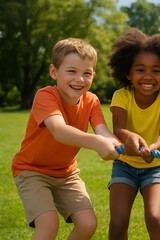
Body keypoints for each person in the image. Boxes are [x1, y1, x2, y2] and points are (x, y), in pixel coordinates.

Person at [11, 38, 121, 240]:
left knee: (88, 224)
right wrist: (97, 143)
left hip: (66, 173)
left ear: (93, 76)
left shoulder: (92, 100)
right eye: (72, 71)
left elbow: (102, 130)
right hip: (31, 171)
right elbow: (60, 131)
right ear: (54, 72)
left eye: (87, 73)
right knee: (48, 225)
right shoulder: (45, 96)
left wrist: (117, 144)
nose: (80, 79)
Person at [107, 27, 160, 240]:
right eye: (140, 70)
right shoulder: (121, 96)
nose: (148, 76)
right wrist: (129, 136)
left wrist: (155, 148)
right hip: (124, 165)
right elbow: (118, 129)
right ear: (128, 73)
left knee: (154, 216)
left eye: (156, 70)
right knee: (118, 221)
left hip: (156, 167)